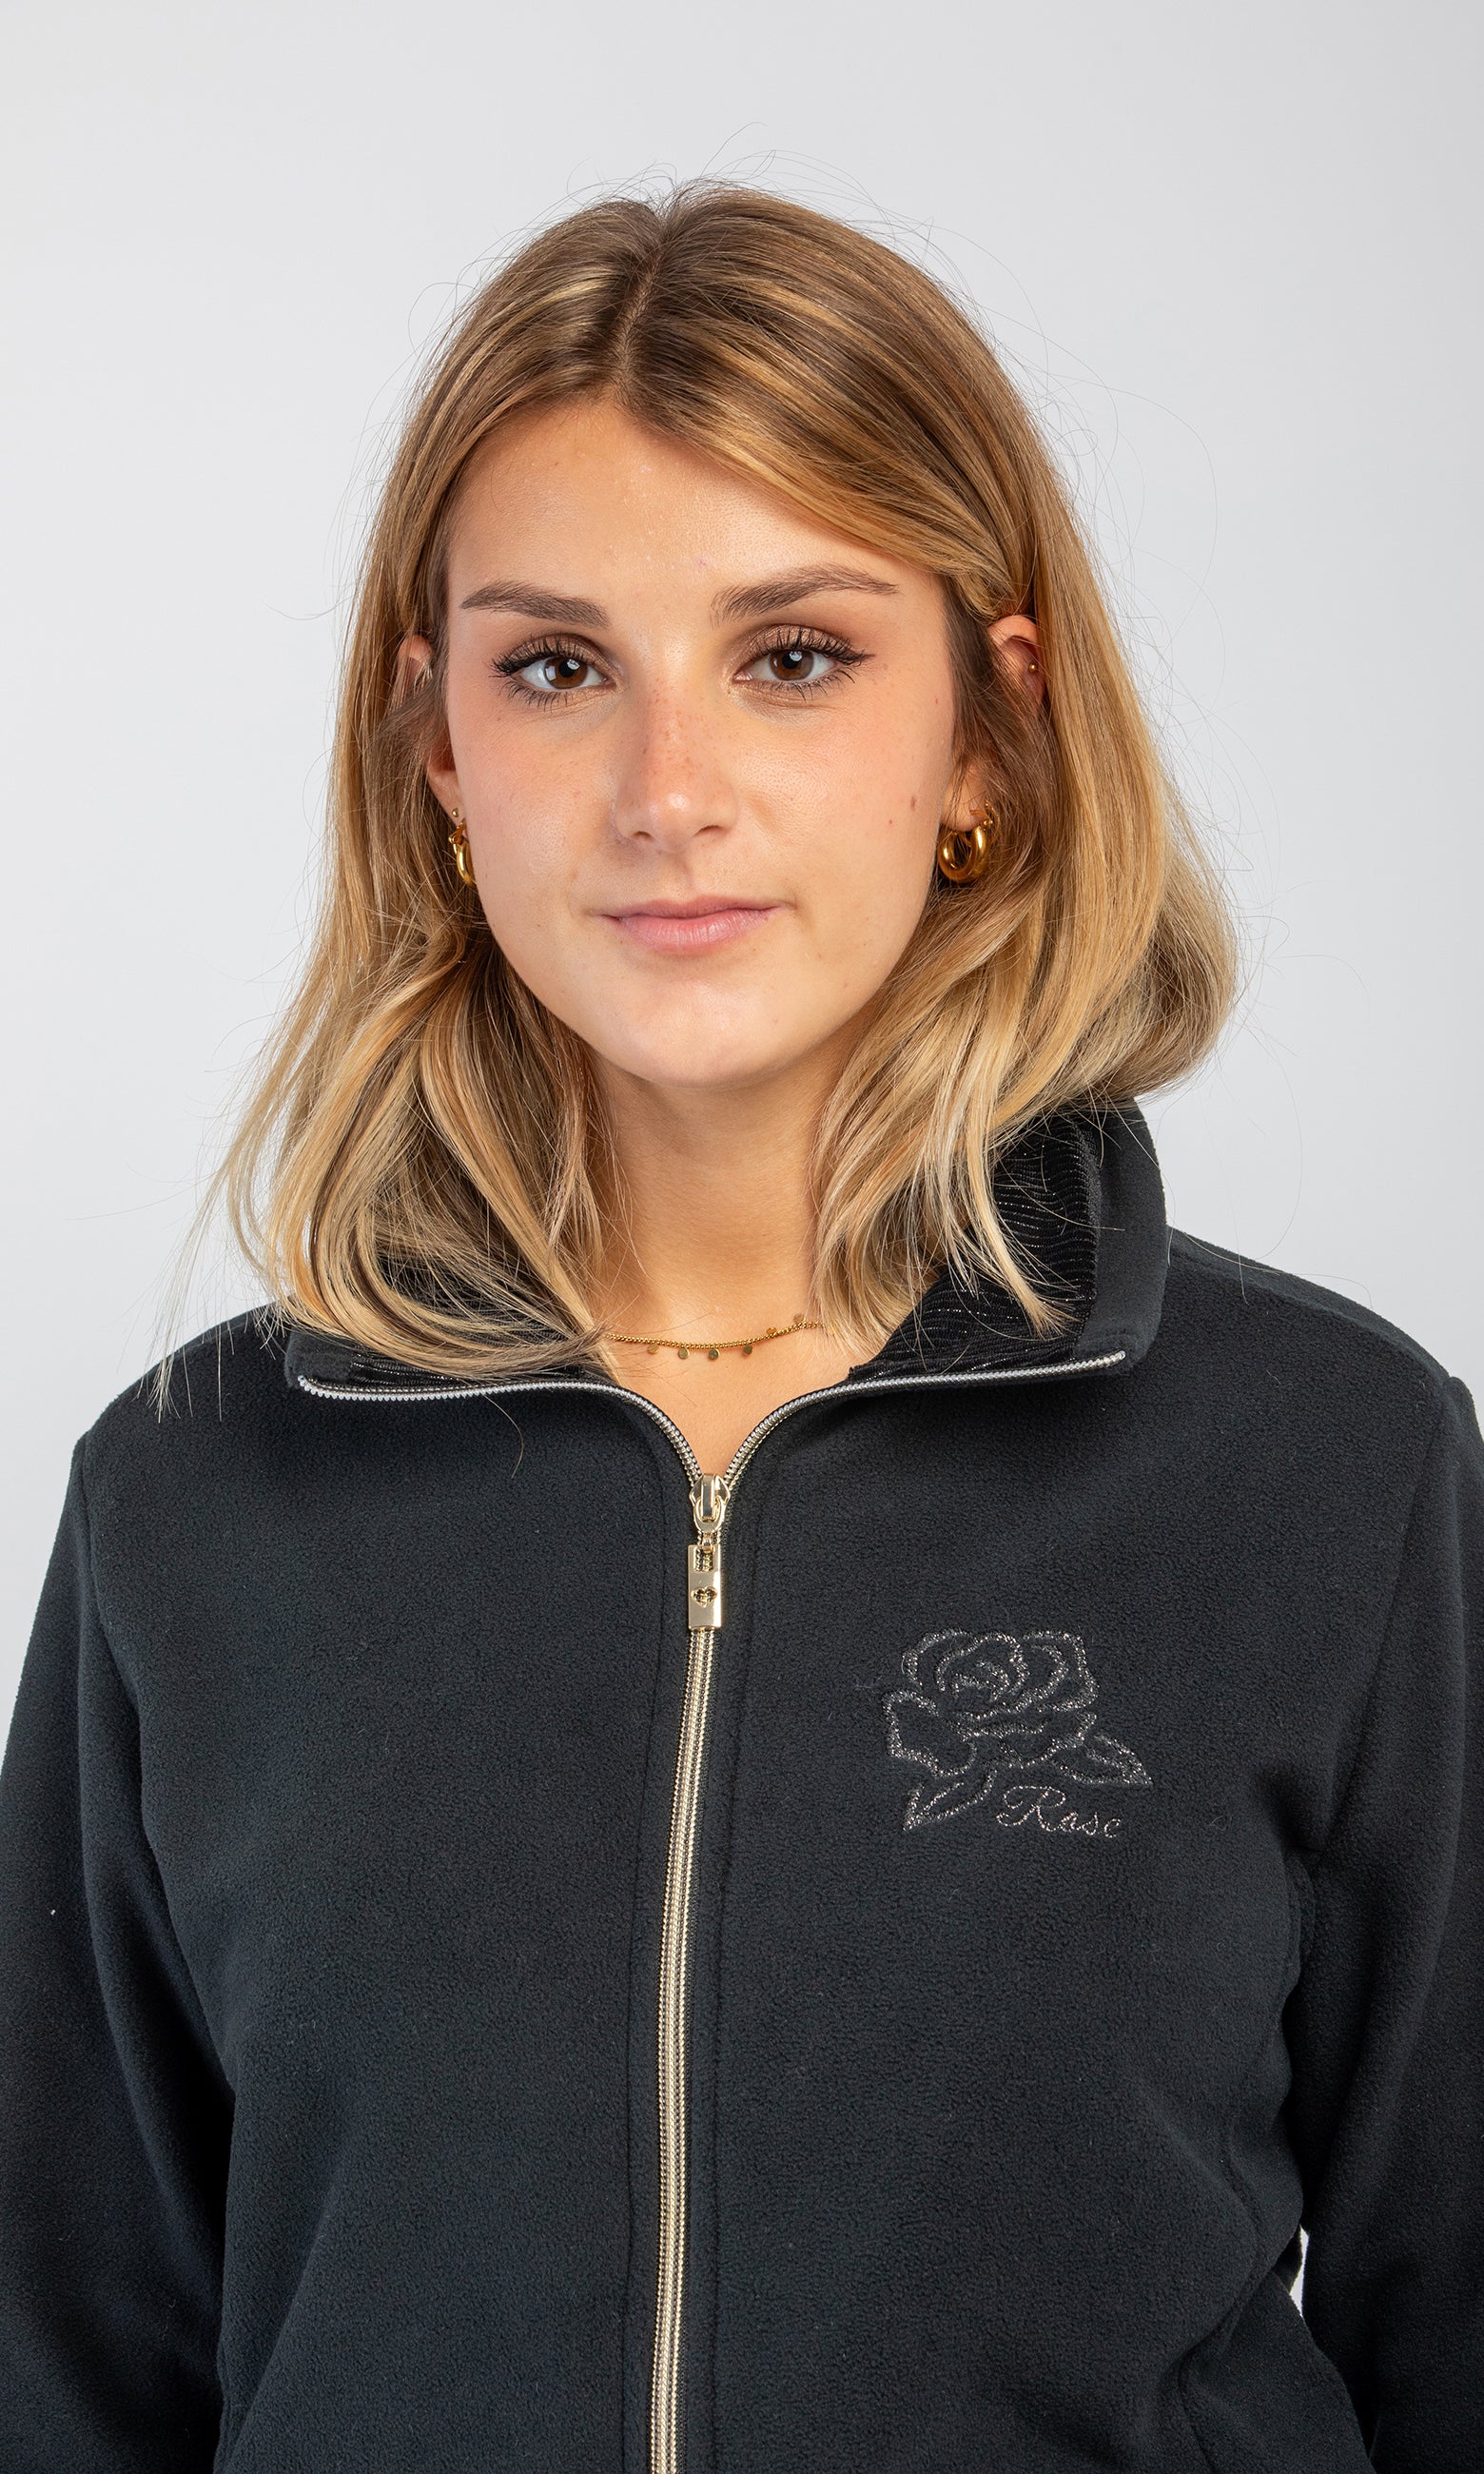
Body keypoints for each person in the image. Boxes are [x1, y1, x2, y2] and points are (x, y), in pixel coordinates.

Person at [0, 183, 1478, 2474]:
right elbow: (64, 2369)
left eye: (792, 655)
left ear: (992, 731)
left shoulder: (1333, 1468)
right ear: (435, 746)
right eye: (555, 667)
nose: (665, 792)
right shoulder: (193, 1499)